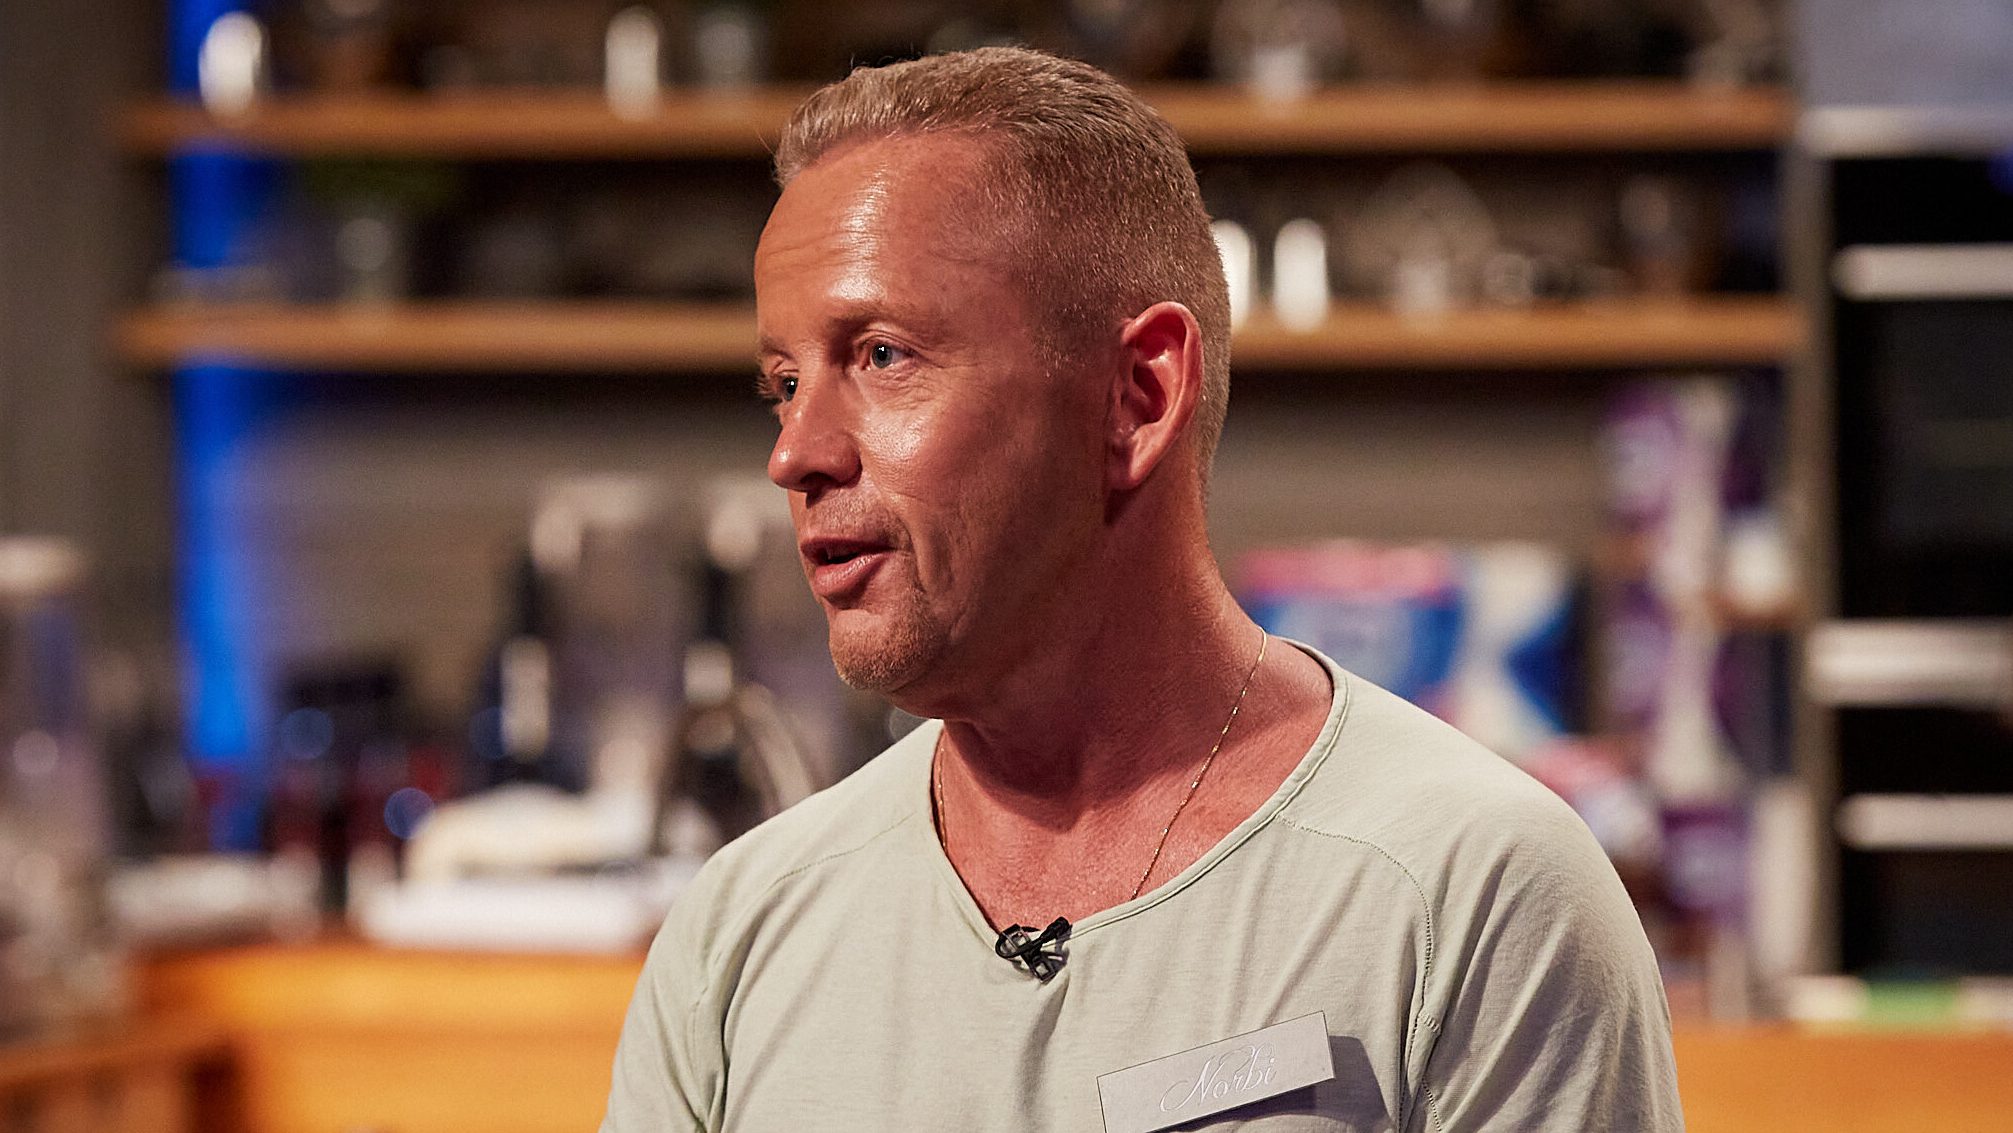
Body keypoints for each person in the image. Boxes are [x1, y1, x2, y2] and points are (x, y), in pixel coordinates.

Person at [603, 46, 1682, 1132]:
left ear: (1138, 393)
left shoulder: (1477, 897)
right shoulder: (735, 941)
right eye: (785, 383)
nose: (795, 453)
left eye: (882, 356)